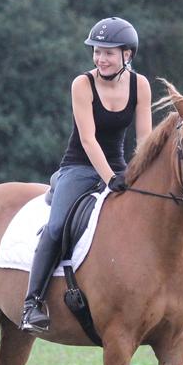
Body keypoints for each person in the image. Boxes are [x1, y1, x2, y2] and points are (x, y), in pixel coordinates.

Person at [20, 17, 153, 333]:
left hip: (119, 166)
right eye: (97, 51)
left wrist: (140, 175)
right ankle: (31, 303)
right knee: (55, 226)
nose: (101, 58)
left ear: (127, 55)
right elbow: (89, 139)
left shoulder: (140, 85)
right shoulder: (82, 83)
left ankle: (173, 302)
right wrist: (109, 178)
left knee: (157, 216)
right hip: (79, 166)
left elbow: (145, 138)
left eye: (108, 52)